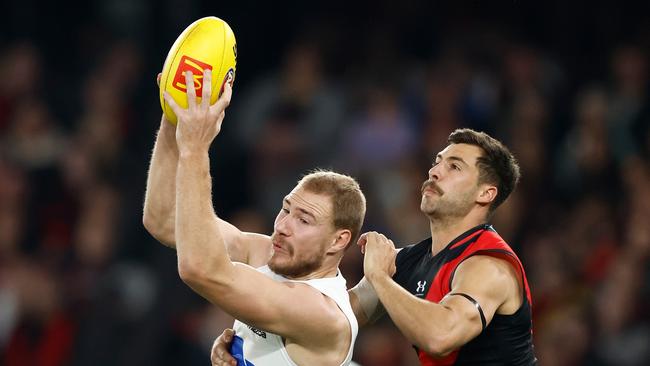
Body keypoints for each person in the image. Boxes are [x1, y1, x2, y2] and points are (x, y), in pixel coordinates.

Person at [213, 129, 537, 365]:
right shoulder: (413, 260)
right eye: (438, 161)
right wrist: (253, 347)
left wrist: (380, 278)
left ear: (486, 194)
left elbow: (441, 337)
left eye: (454, 167)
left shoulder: (488, 267)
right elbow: (339, 316)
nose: (435, 170)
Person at [142, 69, 365, 366]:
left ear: (339, 240)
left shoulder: (322, 313)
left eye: (304, 220)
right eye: (286, 210)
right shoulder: (265, 253)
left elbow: (200, 269)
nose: (284, 226)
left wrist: (195, 148)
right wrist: (175, 116)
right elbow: (164, 218)